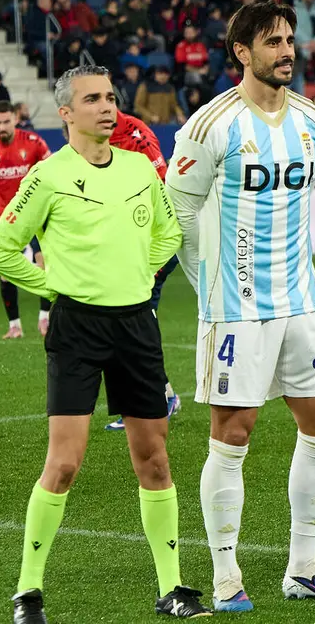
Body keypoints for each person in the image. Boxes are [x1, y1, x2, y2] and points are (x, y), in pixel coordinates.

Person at [0, 65, 209, 623]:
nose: (107, 107)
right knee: (63, 463)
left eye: (111, 97)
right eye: (92, 99)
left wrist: (140, 274)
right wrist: (54, 287)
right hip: (77, 329)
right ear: (66, 113)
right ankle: (28, 593)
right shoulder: (47, 176)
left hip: (137, 325)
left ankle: (172, 588)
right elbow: (1, 249)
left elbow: (168, 233)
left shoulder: (138, 168)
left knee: (155, 461)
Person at [167, 0, 315, 613]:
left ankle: (304, 565)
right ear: (241, 54)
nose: (286, 51)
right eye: (272, 42)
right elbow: (179, 213)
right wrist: (212, 289)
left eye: (289, 39)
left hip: (302, 298)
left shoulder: (309, 117)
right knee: (233, 434)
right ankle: (227, 574)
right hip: (236, 306)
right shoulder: (209, 126)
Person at [103, 110, 183, 432]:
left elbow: (160, 187)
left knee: (131, 319)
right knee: (130, 321)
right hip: (128, 244)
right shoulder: (94, 135)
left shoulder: (136, 135)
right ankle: (159, 396)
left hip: (151, 245)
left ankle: (152, 400)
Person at [0, 100, 52, 339]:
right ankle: (15, 325)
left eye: (6, 121)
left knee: (45, 264)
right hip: (5, 218)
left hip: (36, 215)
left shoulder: (34, 143)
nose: (2, 127)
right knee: (5, 272)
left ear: (16, 119)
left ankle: (45, 319)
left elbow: (52, 176)